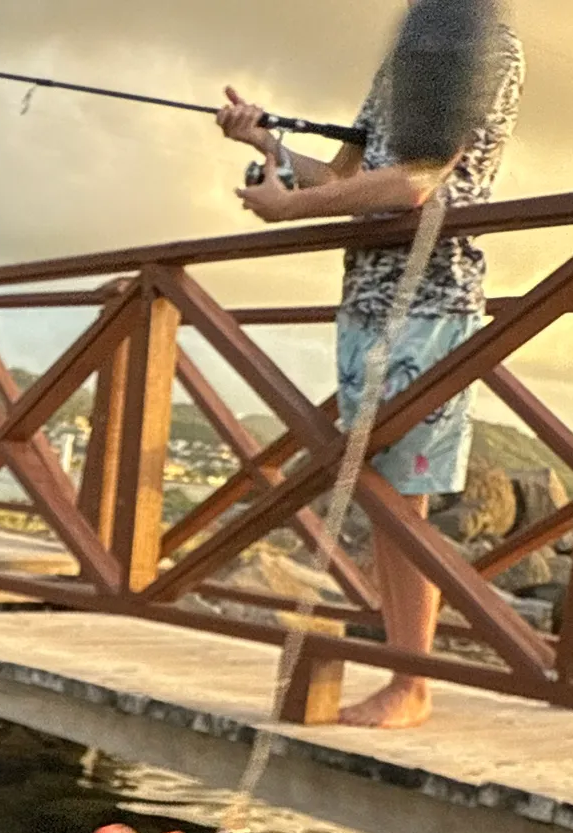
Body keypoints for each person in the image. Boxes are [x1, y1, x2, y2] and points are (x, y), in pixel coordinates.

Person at [217, 12, 524, 729]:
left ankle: (409, 685)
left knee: (400, 500)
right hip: (369, 299)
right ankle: (403, 673)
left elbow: (418, 181)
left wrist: (291, 207)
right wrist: (270, 146)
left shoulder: (475, 42)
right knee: (384, 498)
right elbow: (353, 178)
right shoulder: (414, 50)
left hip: (430, 299)